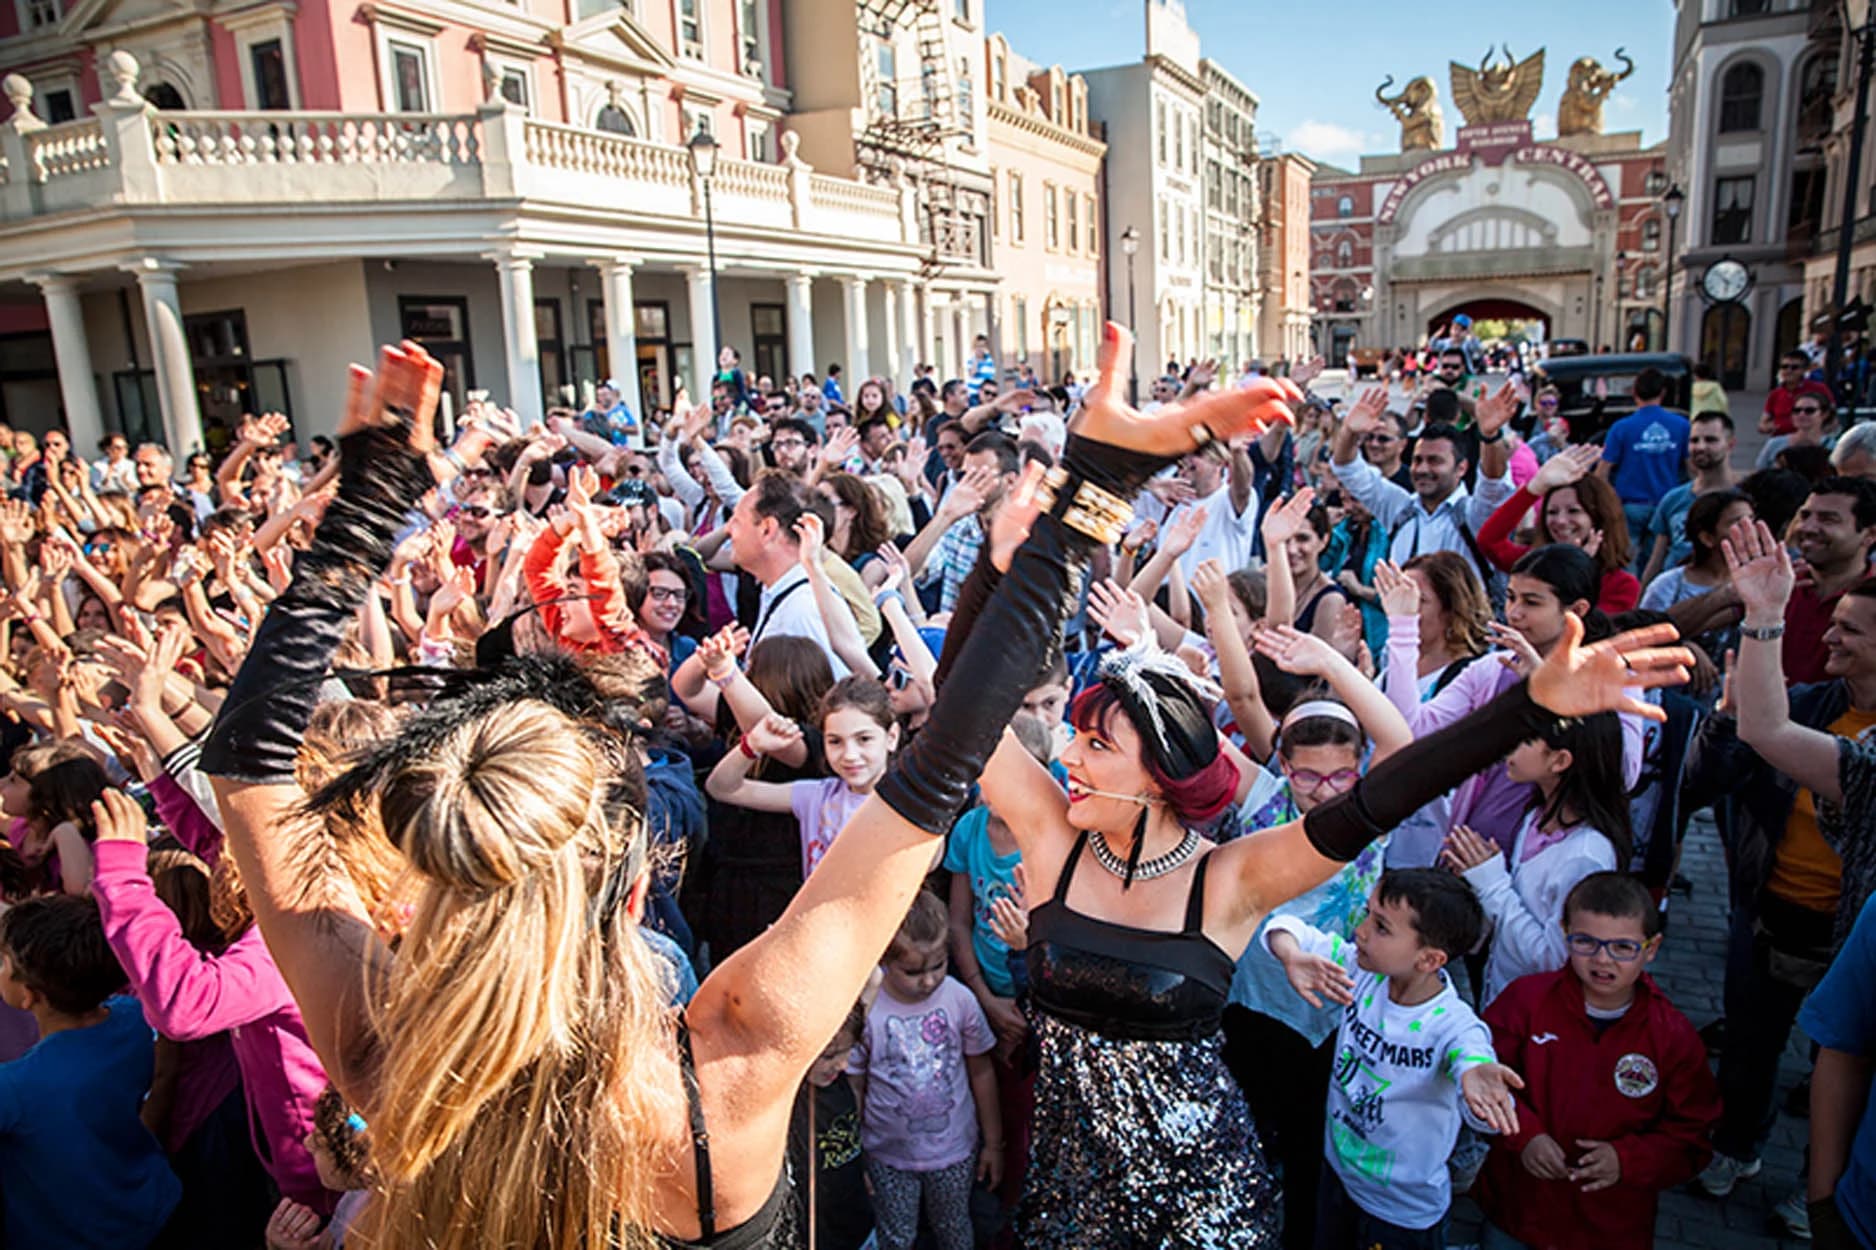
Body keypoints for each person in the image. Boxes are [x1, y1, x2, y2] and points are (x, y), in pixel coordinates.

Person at [192, 331, 1686, 1250]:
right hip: (1078, 1192)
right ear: (639, 870)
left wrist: (359, 523)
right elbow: (938, 770)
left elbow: (250, 779)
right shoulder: (732, 1052)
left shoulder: (390, 1048)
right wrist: (1084, 497)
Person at [1692, 519, 1876, 1211]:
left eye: (1850, 630)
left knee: (1844, 1060)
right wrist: (1763, 623)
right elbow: (1750, 741)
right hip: (1773, 914)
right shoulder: (1816, 707)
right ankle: (1740, 1144)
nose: (1829, 635)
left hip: (1848, 937)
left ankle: (1822, 1187)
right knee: (1751, 1050)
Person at [1215, 613, 1415, 1250]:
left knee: (1310, 1145)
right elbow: (1213, 722)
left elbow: (1402, 741)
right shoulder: (1263, 800)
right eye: (1307, 776)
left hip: (1332, 1011)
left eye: (1340, 776)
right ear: (1283, 764)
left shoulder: (1367, 815)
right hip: (1253, 1000)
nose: (1324, 792)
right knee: (1245, 1128)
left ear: (1360, 769)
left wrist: (1332, 666)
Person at [1264, 869, 1521, 1250]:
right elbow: (1284, 926)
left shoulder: (1452, 1024)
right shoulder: (1361, 971)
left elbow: (1472, 1058)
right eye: (1368, 913)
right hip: (1339, 1175)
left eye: (1381, 927)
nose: (1362, 930)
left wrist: (1477, 1076)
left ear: (1429, 959)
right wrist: (1291, 954)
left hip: (1401, 1215)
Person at [1474, 872, 1720, 1250]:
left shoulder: (1671, 1035)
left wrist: (1628, 1160)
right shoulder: (1526, 1002)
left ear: (1651, 949)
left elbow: (1694, 1134)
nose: (1602, 959)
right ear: (1564, 933)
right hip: (1518, 1210)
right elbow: (1482, 1079)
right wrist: (1525, 1136)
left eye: (1623, 947)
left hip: (1611, 1225)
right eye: (1585, 942)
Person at [0, 893, 182, 1249]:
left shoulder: (13, 1088)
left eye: (3, 962)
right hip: (149, 1205)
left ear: (29, 996)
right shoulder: (134, 1017)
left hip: (67, 1234)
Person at [1440, 711, 1633, 1006]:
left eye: (1526, 739)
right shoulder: (1536, 816)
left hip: (1535, 1018)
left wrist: (1492, 883)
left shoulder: (1585, 856)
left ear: (1559, 761)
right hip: (1503, 997)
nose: (1509, 745)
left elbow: (1554, 959)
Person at [849, 890, 1000, 1250]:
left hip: (954, 1151)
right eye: (913, 971)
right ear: (883, 959)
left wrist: (994, 1144)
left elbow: (981, 1072)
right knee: (896, 1235)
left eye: (938, 965)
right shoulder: (868, 1009)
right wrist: (857, 1158)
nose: (929, 980)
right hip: (886, 1155)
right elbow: (855, 1085)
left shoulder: (959, 1000)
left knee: (954, 1229)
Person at [706, 675, 899, 880]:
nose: (849, 754)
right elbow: (722, 788)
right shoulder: (817, 796)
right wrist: (753, 745)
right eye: (835, 741)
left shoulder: (906, 805)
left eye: (864, 739)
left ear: (891, 737)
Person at [1332, 384, 1518, 595]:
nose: (1422, 469)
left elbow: (1493, 484)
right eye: (1417, 460)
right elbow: (1347, 468)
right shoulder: (1401, 509)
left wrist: (1490, 436)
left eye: (1435, 461)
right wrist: (1349, 432)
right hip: (1405, 626)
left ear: (1461, 468)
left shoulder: (1474, 514)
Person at [1477, 445, 1640, 613]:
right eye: (1552, 512)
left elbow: (1588, 630)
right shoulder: (1533, 563)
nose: (1561, 521)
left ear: (1599, 519)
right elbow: (1489, 541)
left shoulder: (1622, 585)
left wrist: (1579, 569)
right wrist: (1534, 488)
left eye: (1573, 511)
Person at [728, 470, 855, 675]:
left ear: (767, 530)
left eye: (737, 520)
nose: (728, 529)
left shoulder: (802, 611)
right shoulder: (782, 593)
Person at [790, 1003, 875, 1250]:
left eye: (847, 1053)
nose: (842, 1065)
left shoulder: (838, 1082)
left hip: (857, 1218)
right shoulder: (793, 1095)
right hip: (818, 1232)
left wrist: (862, 1171)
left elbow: (875, 977)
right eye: (829, 1056)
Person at [1782, 476, 1876, 686]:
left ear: (1870, 534)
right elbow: (1692, 626)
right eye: (1805, 516)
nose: (1808, 527)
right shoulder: (1779, 585)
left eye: (1828, 519)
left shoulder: (1871, 597)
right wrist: (1733, 593)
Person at [1596, 368, 1689, 558]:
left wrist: (1608, 503)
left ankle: (1630, 588)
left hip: (1630, 504)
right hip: (1665, 503)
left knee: (1625, 557)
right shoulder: (1681, 426)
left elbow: (1602, 471)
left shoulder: (1621, 428)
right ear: (1663, 393)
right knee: (1657, 559)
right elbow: (1692, 468)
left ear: (1634, 393)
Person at [1639, 411, 1740, 587]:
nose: (1700, 447)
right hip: (1675, 597)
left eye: (1711, 440)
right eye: (1694, 440)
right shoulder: (1673, 499)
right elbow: (1656, 561)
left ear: (1730, 444)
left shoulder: (1745, 498)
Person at [1758, 389, 1839, 471]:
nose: (1801, 414)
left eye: (1809, 411)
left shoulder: (1834, 447)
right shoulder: (1774, 444)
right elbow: (1760, 474)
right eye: (1796, 410)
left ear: (1824, 414)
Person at [1763, 350, 1836, 437]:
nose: (1788, 370)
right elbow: (1763, 423)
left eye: (1794, 367)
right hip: (1781, 440)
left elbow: (1833, 418)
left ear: (1804, 370)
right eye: (1784, 367)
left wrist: (1819, 434)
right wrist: (1768, 427)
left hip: (1811, 441)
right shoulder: (1775, 394)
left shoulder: (1819, 389)